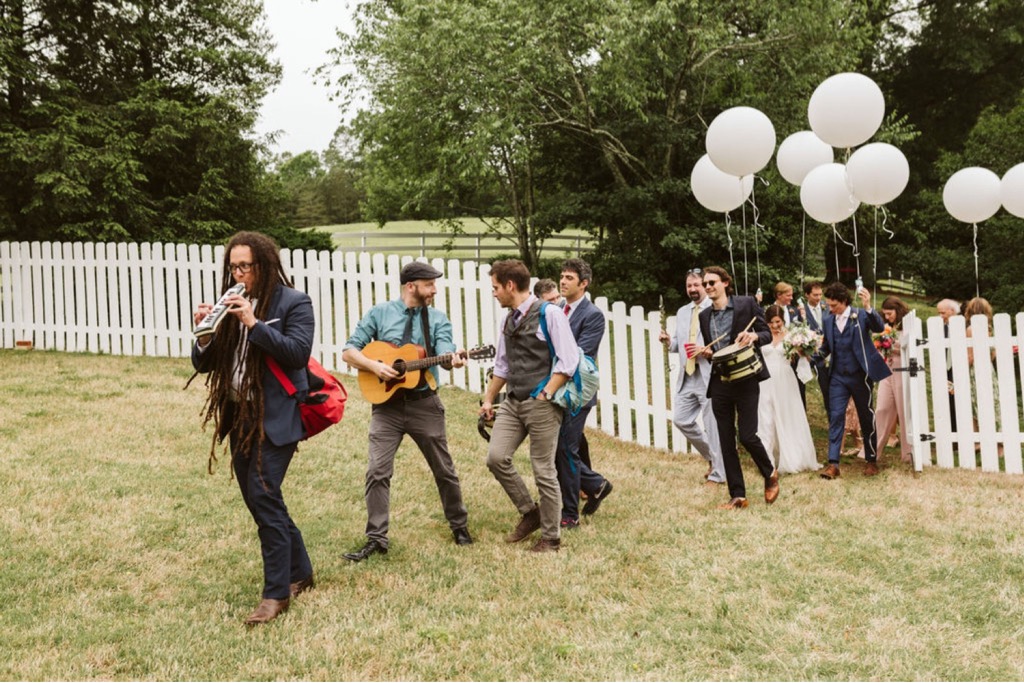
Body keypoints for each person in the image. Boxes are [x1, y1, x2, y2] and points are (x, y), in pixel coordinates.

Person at [189, 231, 316, 626]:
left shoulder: (295, 302)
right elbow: (204, 364)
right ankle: (302, 571)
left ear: (264, 264)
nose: (239, 273)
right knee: (262, 498)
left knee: (263, 495)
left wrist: (254, 323)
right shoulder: (229, 302)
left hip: (276, 416)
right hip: (239, 416)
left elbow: (297, 352)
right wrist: (205, 336)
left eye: (246, 266)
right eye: (233, 267)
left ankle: (275, 594)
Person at [340, 261, 472, 562]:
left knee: (444, 470)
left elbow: (445, 352)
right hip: (386, 407)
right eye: (429, 284)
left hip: (424, 403)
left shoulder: (437, 318)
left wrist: (454, 359)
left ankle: (459, 526)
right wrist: (375, 366)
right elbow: (349, 350)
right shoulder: (380, 313)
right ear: (411, 286)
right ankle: (376, 538)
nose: (434, 290)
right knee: (377, 471)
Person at [480, 259, 578, 552]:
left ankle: (551, 537)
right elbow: (502, 366)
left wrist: (546, 393)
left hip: (542, 402)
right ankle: (530, 512)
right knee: (496, 458)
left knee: (543, 469)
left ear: (510, 286)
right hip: (513, 401)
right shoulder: (507, 320)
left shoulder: (550, 314)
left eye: (496, 287)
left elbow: (568, 360)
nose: (494, 293)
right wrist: (488, 399)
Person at [697, 266, 779, 509]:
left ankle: (770, 472)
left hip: (746, 379)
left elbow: (767, 334)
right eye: (705, 283)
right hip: (720, 382)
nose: (708, 286)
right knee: (725, 440)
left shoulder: (747, 304)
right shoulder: (704, 317)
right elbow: (717, 354)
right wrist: (709, 353)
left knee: (747, 435)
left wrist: (753, 337)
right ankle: (738, 496)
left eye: (712, 282)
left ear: (725, 283)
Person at [555, 258, 612, 530]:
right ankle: (595, 483)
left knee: (566, 449)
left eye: (569, 277)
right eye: (562, 276)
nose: (563, 281)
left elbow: (579, 355)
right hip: (554, 389)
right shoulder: (556, 309)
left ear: (584, 283)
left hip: (577, 393)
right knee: (560, 448)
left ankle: (570, 514)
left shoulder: (592, 315)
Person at [815, 282, 891, 479]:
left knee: (866, 416)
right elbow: (826, 348)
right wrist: (808, 354)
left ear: (844, 301)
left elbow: (879, 327)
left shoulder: (861, 315)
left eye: (834, 306)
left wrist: (868, 306)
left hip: (860, 375)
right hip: (838, 376)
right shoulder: (828, 319)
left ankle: (871, 460)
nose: (830, 309)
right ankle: (833, 464)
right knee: (836, 415)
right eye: (829, 306)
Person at [658, 268, 726, 487]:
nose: (693, 289)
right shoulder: (682, 312)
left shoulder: (716, 308)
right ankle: (714, 458)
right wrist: (668, 341)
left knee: (712, 425)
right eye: (689, 286)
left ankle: (718, 474)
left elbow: (724, 343)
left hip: (709, 375)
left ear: (705, 285)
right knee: (681, 420)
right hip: (687, 376)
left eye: (697, 285)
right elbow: (678, 344)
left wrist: (708, 352)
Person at [758, 305, 819, 473]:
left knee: (786, 415)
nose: (774, 326)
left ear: (783, 320)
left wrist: (804, 349)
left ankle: (793, 456)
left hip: (785, 379)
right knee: (765, 417)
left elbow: (804, 355)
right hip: (765, 380)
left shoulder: (792, 336)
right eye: (770, 322)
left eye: (777, 322)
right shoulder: (763, 336)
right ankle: (768, 461)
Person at [865, 296, 912, 463]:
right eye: (884, 314)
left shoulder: (908, 325)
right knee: (882, 408)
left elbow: (910, 348)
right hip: (887, 370)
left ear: (898, 310)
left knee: (904, 410)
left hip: (903, 370)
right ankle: (872, 452)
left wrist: (891, 343)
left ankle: (909, 454)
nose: (887, 317)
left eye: (889, 313)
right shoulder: (885, 327)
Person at [771, 281, 806, 407]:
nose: (791, 298)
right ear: (779, 295)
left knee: (798, 384)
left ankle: (800, 409)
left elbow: (801, 328)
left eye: (792, 295)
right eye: (788, 295)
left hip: (794, 354)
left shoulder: (794, 310)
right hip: (778, 353)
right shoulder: (770, 311)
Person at [801, 281, 830, 414]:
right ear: (807, 295)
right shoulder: (801, 311)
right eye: (815, 295)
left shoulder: (827, 306)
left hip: (830, 350)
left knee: (831, 385)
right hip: (813, 352)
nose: (818, 298)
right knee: (823, 385)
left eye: (820, 294)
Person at [937, 298, 960, 432]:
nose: (940, 316)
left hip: (960, 368)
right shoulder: (940, 327)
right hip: (946, 368)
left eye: (943, 313)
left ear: (952, 311)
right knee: (948, 401)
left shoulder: (963, 325)